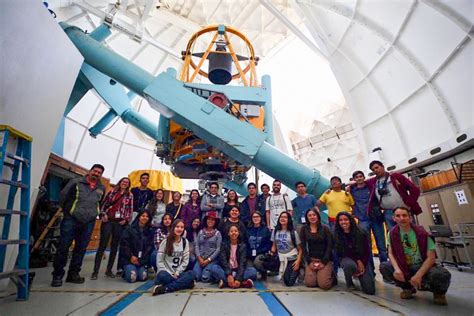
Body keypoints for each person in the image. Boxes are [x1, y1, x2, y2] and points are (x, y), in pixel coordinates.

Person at [380, 207, 451, 305]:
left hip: (422, 265)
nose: (401, 218)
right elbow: (390, 253)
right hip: (404, 265)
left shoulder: (422, 233)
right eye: (398, 216)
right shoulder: (391, 234)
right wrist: (397, 269)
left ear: (410, 218)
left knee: (441, 274)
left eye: (404, 215)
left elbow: (431, 257)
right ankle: (408, 288)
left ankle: (439, 293)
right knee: (385, 267)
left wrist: (419, 275)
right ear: (394, 218)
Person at [51, 164, 106, 287]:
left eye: (99, 173)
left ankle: (73, 274)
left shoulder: (101, 188)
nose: (96, 174)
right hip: (71, 219)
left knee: (81, 249)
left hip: (89, 222)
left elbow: (100, 203)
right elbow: (63, 197)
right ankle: (57, 275)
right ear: (90, 171)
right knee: (63, 247)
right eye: (95, 171)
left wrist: (96, 214)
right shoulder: (76, 182)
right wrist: (68, 212)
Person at [92, 177, 133, 280]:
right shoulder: (112, 192)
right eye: (123, 181)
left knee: (114, 246)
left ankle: (109, 270)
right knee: (102, 245)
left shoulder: (130, 195)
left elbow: (130, 210)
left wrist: (126, 219)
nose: (125, 183)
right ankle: (95, 271)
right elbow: (103, 204)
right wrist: (103, 214)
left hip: (119, 223)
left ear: (128, 185)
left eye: (127, 182)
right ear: (120, 182)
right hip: (108, 220)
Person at [368, 160, 422, 230]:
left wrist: (409, 203)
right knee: (394, 235)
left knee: (410, 231)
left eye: (377, 167)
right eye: (373, 169)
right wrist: (349, 186)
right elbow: (360, 182)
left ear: (382, 167)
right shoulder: (374, 181)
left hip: (403, 210)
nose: (375, 170)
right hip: (388, 212)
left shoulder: (395, 176)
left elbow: (415, 190)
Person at [349, 170, 388, 265]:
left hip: (375, 218)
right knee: (366, 246)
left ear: (363, 177)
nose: (359, 178)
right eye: (356, 177)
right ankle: (371, 270)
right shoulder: (352, 190)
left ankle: (385, 269)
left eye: (360, 176)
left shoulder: (371, 186)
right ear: (354, 179)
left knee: (381, 245)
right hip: (363, 220)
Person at [334, 212, 375, 294]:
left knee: (370, 290)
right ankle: (349, 282)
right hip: (347, 258)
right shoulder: (337, 234)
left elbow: (367, 250)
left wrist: (362, 263)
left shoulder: (361, 232)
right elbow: (342, 252)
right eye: (340, 220)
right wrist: (357, 261)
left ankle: (361, 276)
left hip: (363, 259)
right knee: (349, 265)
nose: (343, 222)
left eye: (346, 219)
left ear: (350, 220)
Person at [152, 219, 196, 295]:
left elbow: (185, 261)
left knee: (192, 273)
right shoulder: (165, 241)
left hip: (177, 273)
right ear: (173, 228)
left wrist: (177, 272)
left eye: (182, 227)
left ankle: (165, 288)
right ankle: (185, 284)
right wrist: (169, 273)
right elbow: (159, 261)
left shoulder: (185, 242)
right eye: (177, 227)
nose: (179, 229)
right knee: (162, 275)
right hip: (165, 274)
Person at [210, 224, 256, 288]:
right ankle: (242, 283)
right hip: (226, 271)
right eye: (231, 231)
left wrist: (238, 278)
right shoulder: (223, 245)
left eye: (235, 231)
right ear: (228, 233)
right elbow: (223, 261)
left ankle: (226, 283)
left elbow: (242, 264)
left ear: (238, 233)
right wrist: (229, 274)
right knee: (214, 268)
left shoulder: (243, 246)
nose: (234, 233)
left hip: (238, 271)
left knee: (252, 271)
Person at [300, 208, 333, 290]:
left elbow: (330, 245)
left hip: (324, 259)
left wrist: (324, 262)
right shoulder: (304, 229)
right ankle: (319, 275)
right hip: (312, 259)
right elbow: (303, 247)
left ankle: (332, 276)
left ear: (318, 216)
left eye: (314, 215)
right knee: (310, 283)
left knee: (324, 285)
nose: (312, 217)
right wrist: (309, 262)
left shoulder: (325, 228)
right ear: (307, 217)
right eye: (309, 215)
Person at [119, 211, 154, 283]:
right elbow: (124, 245)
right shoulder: (129, 229)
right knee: (132, 278)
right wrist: (131, 256)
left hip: (142, 261)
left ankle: (138, 270)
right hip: (129, 259)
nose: (145, 218)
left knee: (143, 277)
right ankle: (126, 271)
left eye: (147, 216)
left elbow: (150, 248)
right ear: (139, 217)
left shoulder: (150, 231)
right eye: (143, 216)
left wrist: (142, 260)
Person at [270, 211, 303, 286]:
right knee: (261, 263)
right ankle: (276, 271)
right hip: (280, 256)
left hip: (291, 258)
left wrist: (298, 261)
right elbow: (274, 246)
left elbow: (300, 249)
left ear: (289, 219)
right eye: (281, 217)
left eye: (285, 217)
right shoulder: (275, 231)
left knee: (288, 282)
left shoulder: (293, 233)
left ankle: (298, 270)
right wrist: (270, 255)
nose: (283, 219)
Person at [193, 212, 222, 282]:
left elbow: (218, 249)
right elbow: (197, 245)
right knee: (195, 276)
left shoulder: (218, 234)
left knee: (205, 278)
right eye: (209, 219)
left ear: (215, 222)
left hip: (212, 260)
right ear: (206, 220)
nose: (210, 221)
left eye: (213, 220)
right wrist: (199, 257)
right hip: (200, 259)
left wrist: (208, 260)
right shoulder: (200, 232)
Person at [246, 211, 272, 279]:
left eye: (257, 217)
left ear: (261, 218)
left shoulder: (265, 230)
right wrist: (248, 253)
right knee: (251, 272)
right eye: (254, 217)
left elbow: (268, 244)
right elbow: (245, 243)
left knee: (257, 262)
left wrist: (259, 251)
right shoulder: (248, 230)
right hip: (249, 255)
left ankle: (263, 272)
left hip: (261, 254)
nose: (255, 218)